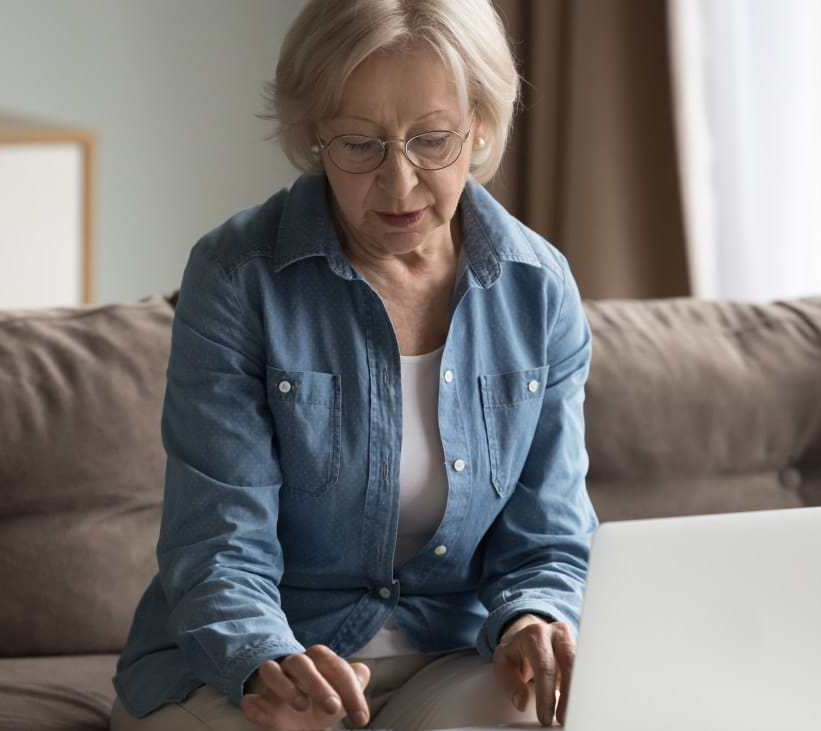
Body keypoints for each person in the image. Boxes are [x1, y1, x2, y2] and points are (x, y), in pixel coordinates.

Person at [110, 1, 597, 728]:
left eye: (433, 141)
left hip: (452, 655)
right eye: (360, 145)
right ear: (314, 137)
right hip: (255, 664)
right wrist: (266, 664)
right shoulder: (238, 276)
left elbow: (548, 535)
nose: (400, 185)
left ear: (482, 127)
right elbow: (217, 543)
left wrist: (534, 617)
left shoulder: (538, 287)